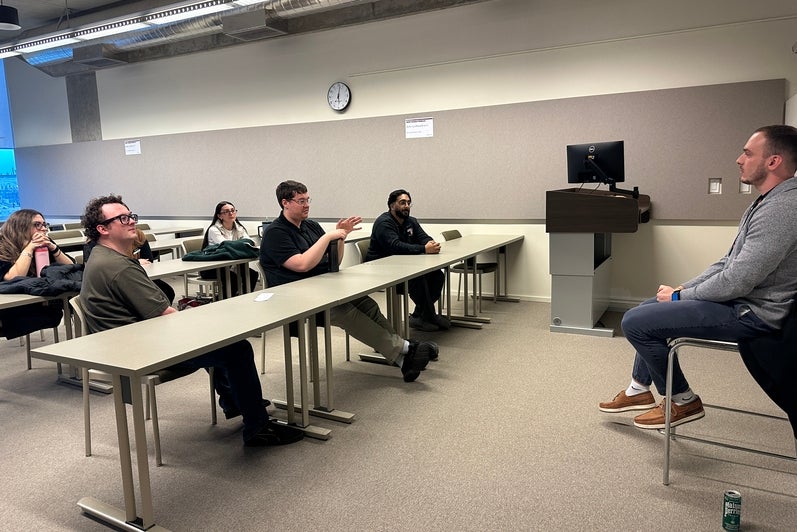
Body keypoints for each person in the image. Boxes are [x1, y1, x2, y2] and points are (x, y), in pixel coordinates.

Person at [599, 125, 797, 429]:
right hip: (741, 299)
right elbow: (728, 262)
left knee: (634, 322)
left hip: (753, 312)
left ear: (773, 162)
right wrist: (685, 288)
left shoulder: (783, 208)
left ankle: (682, 401)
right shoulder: (766, 201)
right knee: (646, 308)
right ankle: (638, 390)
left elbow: (737, 281)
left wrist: (680, 297)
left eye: (747, 152)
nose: (738, 159)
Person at [79, 194, 302, 447]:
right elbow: (166, 315)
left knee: (218, 340)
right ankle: (257, 428)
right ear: (102, 228)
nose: (131, 221)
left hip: (127, 341)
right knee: (236, 348)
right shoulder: (119, 267)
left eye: (131, 215)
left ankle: (236, 402)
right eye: (122, 218)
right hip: (137, 350)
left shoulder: (101, 256)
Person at [259, 180, 438, 382]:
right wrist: (327, 238)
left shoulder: (310, 225)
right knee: (346, 312)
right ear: (285, 203)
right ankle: (407, 348)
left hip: (321, 288)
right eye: (301, 201)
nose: (307, 204)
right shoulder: (275, 233)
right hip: (294, 297)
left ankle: (404, 360)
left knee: (367, 304)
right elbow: (302, 265)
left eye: (308, 199)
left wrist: (341, 238)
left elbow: (334, 262)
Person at [366, 189, 449, 332]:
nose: (406, 206)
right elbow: (395, 246)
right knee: (418, 278)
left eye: (409, 203)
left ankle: (419, 315)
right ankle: (430, 315)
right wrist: (424, 249)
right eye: (402, 202)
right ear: (392, 206)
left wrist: (431, 244)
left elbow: (423, 237)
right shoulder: (384, 222)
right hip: (382, 266)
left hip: (403, 264)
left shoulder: (411, 221)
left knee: (437, 275)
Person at [0, 209, 76, 338]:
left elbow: (70, 267)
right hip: (11, 307)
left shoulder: (45, 242)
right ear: (21, 227)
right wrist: (29, 247)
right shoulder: (2, 246)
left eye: (44, 224)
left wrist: (53, 248)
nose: (44, 229)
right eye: (37, 225)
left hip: (42, 303)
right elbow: (13, 278)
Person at [83, 227, 175, 303]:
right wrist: (137, 262)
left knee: (167, 291)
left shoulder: (138, 236)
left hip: (140, 276)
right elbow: (107, 268)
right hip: (116, 283)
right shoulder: (94, 244)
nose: (130, 222)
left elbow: (148, 261)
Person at [199, 201, 258, 297]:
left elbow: (250, 243)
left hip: (232, 265)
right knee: (232, 278)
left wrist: (238, 245)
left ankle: (243, 298)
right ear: (219, 216)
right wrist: (240, 245)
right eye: (226, 211)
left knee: (252, 275)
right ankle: (223, 302)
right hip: (213, 267)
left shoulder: (239, 228)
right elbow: (225, 246)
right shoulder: (214, 229)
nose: (231, 213)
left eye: (233, 210)